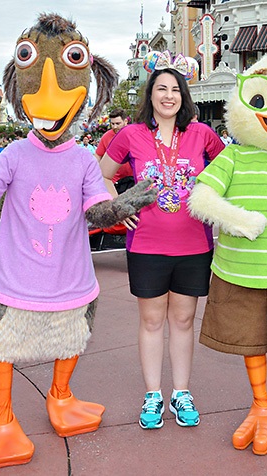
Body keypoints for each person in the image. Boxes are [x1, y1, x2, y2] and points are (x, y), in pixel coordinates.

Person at [99, 63, 224, 430]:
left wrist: (217, 204)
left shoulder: (202, 134)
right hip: (147, 245)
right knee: (152, 321)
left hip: (194, 245)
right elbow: (102, 172)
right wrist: (117, 208)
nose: (169, 96)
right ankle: (153, 395)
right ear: (150, 95)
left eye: (175, 90)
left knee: (183, 321)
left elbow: (228, 171)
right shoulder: (131, 135)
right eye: (161, 89)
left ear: (183, 96)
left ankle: (181, 392)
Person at [95, 108, 133, 186]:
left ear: (125, 121)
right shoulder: (106, 136)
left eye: (118, 123)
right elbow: (98, 156)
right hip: (114, 181)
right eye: (112, 124)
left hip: (133, 179)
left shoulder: (134, 134)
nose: (115, 126)